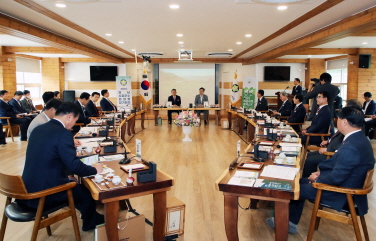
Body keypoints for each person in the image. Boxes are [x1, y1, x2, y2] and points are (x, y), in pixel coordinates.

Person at [267, 106, 375, 234]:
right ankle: (291, 221)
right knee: (296, 182)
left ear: (345, 122)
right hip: (346, 185)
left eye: (339, 119)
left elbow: (336, 178)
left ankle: (282, 222)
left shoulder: (351, 146)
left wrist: (318, 178)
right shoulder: (360, 139)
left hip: (341, 193)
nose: (337, 121)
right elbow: (340, 166)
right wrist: (320, 172)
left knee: (290, 188)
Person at [18, 102, 104, 231]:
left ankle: (90, 216)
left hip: (27, 189)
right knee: (84, 192)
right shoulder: (63, 134)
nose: (73, 124)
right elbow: (74, 166)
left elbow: (49, 157)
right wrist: (94, 170)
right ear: (69, 117)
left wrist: (66, 177)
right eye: (75, 120)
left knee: (75, 186)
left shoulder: (39, 129)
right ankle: (90, 222)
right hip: (43, 195)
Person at [302, 99, 362, 178]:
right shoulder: (352, 126)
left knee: (310, 160)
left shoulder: (353, 129)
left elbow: (343, 145)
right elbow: (338, 139)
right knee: (309, 155)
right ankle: (307, 178)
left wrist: (328, 150)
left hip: (332, 154)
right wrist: (328, 141)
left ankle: (307, 180)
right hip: (332, 148)